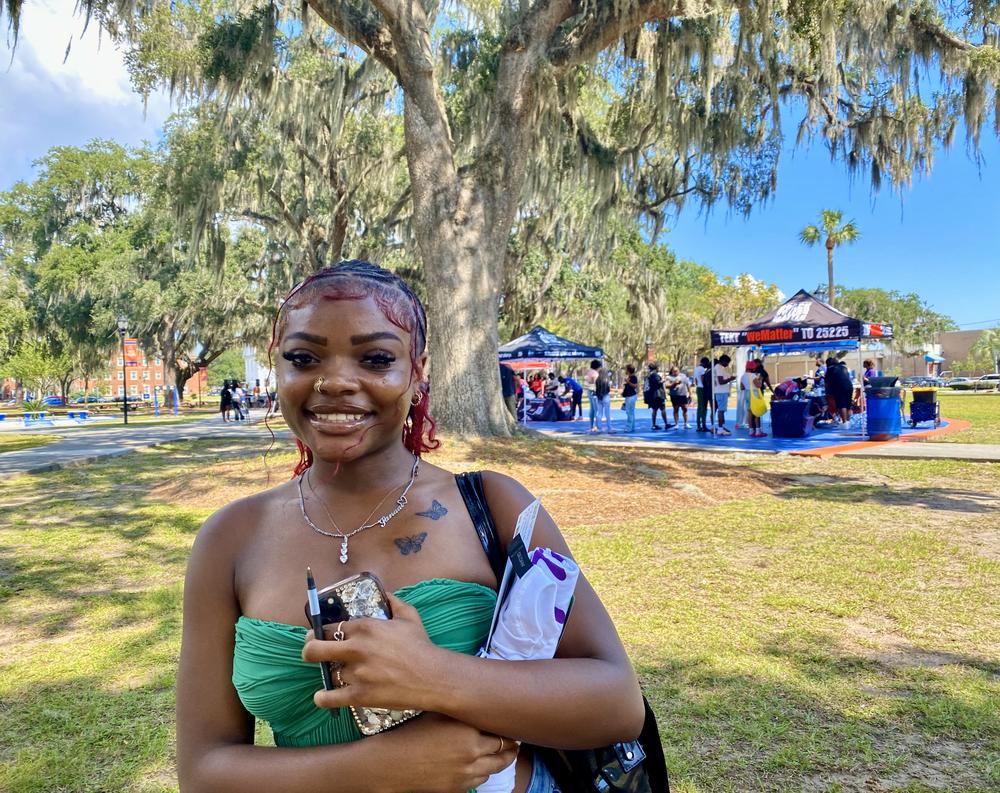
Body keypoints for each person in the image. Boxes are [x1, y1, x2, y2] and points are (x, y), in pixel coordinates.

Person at [175, 261, 644, 793]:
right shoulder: (231, 539)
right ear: (276, 368)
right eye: (303, 358)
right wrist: (374, 771)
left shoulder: (490, 505)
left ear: (417, 373)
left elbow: (615, 702)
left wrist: (435, 675)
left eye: (376, 358)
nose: (334, 382)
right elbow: (203, 770)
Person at [824, 356, 854, 425]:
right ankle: (848, 422)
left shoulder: (830, 369)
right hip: (849, 386)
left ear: (831, 363)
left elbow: (826, 382)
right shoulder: (844, 367)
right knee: (848, 405)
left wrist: (827, 391)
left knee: (842, 405)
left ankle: (844, 423)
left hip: (840, 387)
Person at [713, 355, 736, 436]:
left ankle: (721, 427)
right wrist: (731, 379)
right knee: (721, 410)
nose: (727, 364)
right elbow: (721, 381)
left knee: (721, 410)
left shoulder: (719, 368)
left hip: (721, 392)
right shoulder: (719, 368)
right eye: (727, 362)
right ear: (723, 361)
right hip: (721, 392)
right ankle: (720, 429)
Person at [643, 363, 669, 430]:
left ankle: (654, 425)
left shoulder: (648, 376)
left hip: (652, 395)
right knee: (663, 409)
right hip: (658, 395)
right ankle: (666, 424)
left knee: (654, 409)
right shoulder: (654, 375)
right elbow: (658, 382)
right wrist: (663, 380)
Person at [736, 360, 757, 430]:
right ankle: (757, 430)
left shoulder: (743, 376)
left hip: (746, 393)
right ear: (752, 368)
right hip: (753, 393)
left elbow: (742, 387)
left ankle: (751, 429)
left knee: (749, 411)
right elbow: (758, 385)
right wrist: (760, 379)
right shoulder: (753, 375)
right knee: (756, 412)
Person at [694, 356, 711, 432]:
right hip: (702, 389)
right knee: (703, 408)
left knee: (700, 407)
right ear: (705, 363)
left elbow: (696, 380)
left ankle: (698, 425)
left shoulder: (696, 368)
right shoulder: (701, 369)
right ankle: (703, 425)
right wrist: (705, 386)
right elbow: (702, 378)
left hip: (698, 388)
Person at [621, 365, 639, 432]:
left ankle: (629, 427)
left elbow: (634, 386)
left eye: (626, 369)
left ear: (628, 370)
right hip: (628, 396)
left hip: (631, 396)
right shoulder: (629, 377)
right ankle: (632, 426)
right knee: (631, 412)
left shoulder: (633, 377)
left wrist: (628, 382)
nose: (625, 370)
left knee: (629, 412)